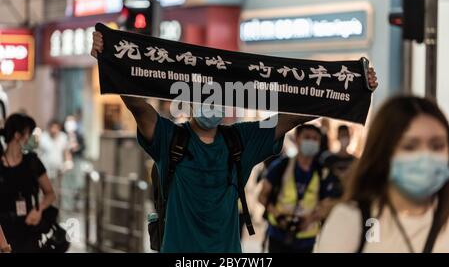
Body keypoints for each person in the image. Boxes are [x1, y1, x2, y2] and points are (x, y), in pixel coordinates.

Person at [91, 30, 378, 253]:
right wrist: (108, 59)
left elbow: (292, 118)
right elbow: (138, 107)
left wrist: (352, 87)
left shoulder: (241, 138)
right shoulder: (170, 138)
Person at [314, 96, 449, 253]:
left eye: (437, 146)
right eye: (409, 147)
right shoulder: (357, 220)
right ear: (383, 153)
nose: (425, 157)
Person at [258, 124, 340, 253]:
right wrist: (278, 216)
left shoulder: (323, 172)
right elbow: (262, 196)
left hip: (306, 238)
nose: (311, 141)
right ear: (297, 139)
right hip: (278, 234)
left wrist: (310, 219)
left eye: (315, 139)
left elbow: (327, 205)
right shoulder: (281, 166)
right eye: (307, 137)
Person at [0, 114, 56, 253]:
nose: (31, 138)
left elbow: (50, 193)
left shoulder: (32, 162)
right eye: (29, 133)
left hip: (28, 230)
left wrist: (39, 209)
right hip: (3, 234)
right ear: (17, 135)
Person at [322, 124, 356, 198]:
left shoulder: (355, 161)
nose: (345, 138)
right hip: (331, 198)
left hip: (349, 198)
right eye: (343, 135)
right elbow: (324, 181)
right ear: (338, 137)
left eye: (347, 135)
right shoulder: (329, 160)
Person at [62, 115, 85, 211]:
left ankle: (76, 204)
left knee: (78, 183)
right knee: (66, 184)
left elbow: (83, 147)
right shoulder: (63, 135)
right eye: (68, 121)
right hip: (65, 162)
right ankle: (67, 205)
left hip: (77, 161)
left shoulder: (79, 135)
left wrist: (76, 148)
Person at [38, 119, 72, 184]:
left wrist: (68, 161)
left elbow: (66, 151)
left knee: (57, 190)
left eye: (55, 128)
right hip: (45, 170)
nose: (53, 130)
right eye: (52, 127)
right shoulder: (43, 137)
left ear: (59, 128)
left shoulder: (63, 137)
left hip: (58, 169)